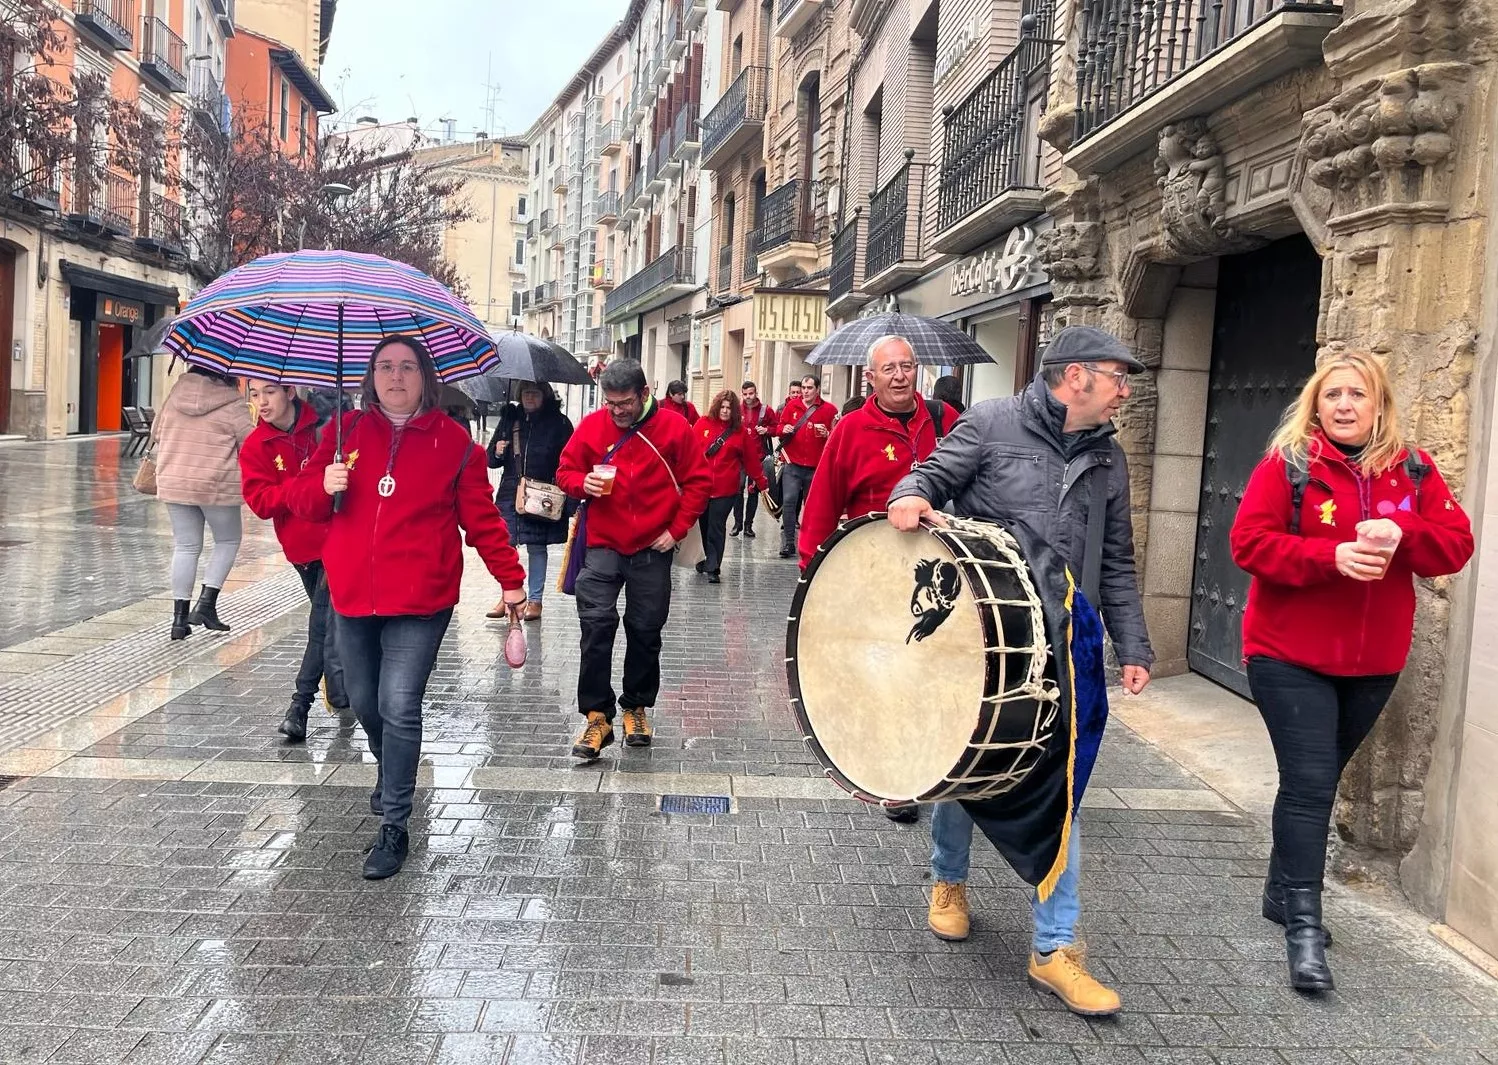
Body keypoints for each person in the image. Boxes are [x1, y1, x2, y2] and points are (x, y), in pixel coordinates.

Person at [887, 325, 1154, 1017]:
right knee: (965, 763)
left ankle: (1055, 947)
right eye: (1117, 376)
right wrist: (909, 495)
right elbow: (929, 476)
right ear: (1075, 377)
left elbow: (1117, 558)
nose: (1126, 389)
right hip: (983, 638)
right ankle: (948, 880)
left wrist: (1135, 645)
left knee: (1060, 786)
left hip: (1067, 646)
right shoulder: (989, 423)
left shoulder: (1109, 458)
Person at [1229, 351, 1472, 993]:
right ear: (1316, 404)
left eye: (1357, 395)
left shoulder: (1414, 468)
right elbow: (1248, 543)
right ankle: (1305, 927)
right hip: (1288, 656)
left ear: (1379, 405)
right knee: (1311, 785)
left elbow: (1456, 545)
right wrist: (1330, 555)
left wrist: (1404, 531)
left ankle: (1281, 892)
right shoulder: (1290, 466)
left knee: (1317, 778)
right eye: (1332, 394)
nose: (1343, 405)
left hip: (1374, 662)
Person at [290, 335, 527, 879]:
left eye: (407, 368)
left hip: (422, 598)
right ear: (370, 376)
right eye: (384, 367)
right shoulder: (340, 433)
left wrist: (511, 581)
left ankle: (394, 822)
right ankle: (391, 761)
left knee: (399, 704)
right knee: (365, 703)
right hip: (351, 592)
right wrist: (322, 485)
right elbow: (299, 503)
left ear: (426, 376)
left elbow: (482, 521)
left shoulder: (455, 445)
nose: (395, 377)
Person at [798, 336, 959, 825]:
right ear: (870, 378)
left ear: (918, 372)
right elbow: (823, 504)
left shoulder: (947, 423)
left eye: (906, 366)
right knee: (891, 676)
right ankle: (898, 778)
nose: (899, 376)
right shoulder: (850, 429)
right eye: (888, 369)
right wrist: (813, 578)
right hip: (872, 576)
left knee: (937, 670)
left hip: (940, 574)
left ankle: (941, 760)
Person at [555, 359, 711, 760]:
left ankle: (636, 708)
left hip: (650, 548)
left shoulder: (675, 428)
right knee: (595, 628)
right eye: (610, 403)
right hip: (603, 544)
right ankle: (596, 716)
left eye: (624, 402)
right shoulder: (592, 426)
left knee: (645, 630)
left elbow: (698, 481)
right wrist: (581, 483)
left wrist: (675, 531)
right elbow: (565, 471)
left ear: (644, 394)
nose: (617, 410)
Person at [239, 381, 349, 741]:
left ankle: (299, 707)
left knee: (321, 625)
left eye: (268, 392)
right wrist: (305, 488)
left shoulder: (327, 427)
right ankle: (340, 685)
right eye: (254, 394)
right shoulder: (257, 445)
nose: (261, 402)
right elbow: (260, 502)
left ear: (289, 391)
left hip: (340, 539)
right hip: (303, 549)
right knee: (334, 626)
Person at [153, 366, 253, 640]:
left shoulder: (175, 394)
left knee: (186, 546)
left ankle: (178, 620)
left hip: (175, 481)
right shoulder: (233, 403)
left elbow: (156, 433)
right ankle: (206, 604)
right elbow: (252, 445)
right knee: (228, 540)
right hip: (216, 484)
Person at [485, 382, 577, 621]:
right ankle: (508, 595)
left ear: (544, 396)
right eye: (526, 393)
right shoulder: (509, 420)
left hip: (542, 494)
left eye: (534, 393)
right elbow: (490, 462)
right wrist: (498, 450)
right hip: (510, 492)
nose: (529, 397)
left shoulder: (560, 424)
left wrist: (570, 501)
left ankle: (535, 600)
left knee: (537, 547)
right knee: (506, 546)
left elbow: (571, 462)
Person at [694, 389, 768, 583]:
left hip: (725, 489)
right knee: (703, 525)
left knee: (716, 527)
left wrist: (761, 481)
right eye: (722, 407)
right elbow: (690, 453)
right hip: (701, 487)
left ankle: (713, 566)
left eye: (729, 408)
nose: (725, 411)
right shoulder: (702, 424)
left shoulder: (740, 433)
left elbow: (751, 460)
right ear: (716, 407)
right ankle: (703, 558)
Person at [773, 374, 837, 559]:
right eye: (803, 387)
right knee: (790, 501)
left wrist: (828, 433)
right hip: (793, 464)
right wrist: (783, 429)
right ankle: (788, 542)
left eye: (809, 388)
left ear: (817, 389)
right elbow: (779, 428)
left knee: (811, 506)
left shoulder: (829, 410)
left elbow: (836, 436)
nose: (805, 391)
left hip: (816, 466)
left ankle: (810, 542)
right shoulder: (792, 406)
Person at [730, 380, 776, 538]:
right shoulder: (736, 410)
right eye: (745, 394)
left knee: (753, 492)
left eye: (751, 393)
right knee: (737, 489)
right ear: (741, 394)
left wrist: (767, 430)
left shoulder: (766, 410)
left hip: (758, 457)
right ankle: (737, 524)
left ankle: (748, 525)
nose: (748, 397)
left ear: (756, 393)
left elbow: (777, 428)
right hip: (739, 458)